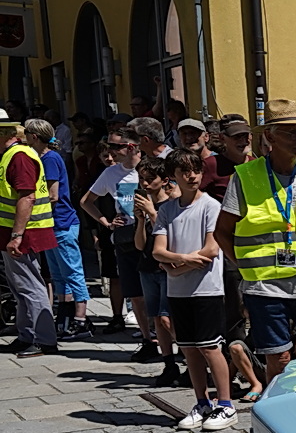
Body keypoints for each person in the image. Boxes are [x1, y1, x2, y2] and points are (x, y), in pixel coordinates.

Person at [214, 99, 296, 382]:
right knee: (280, 358)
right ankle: (281, 410)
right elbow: (222, 232)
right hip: (265, 287)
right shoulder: (246, 176)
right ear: (270, 136)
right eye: (292, 132)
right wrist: (245, 267)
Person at [152, 150, 235, 431]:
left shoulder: (211, 206)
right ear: (172, 176)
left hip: (206, 289)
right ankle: (202, 402)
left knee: (211, 347)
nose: (192, 176)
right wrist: (184, 261)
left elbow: (211, 250)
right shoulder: (167, 210)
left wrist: (176, 266)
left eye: (196, 170)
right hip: (179, 292)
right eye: (184, 171)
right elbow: (158, 251)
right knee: (188, 349)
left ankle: (226, 404)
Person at [0, 113, 58, 357]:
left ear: (6, 133)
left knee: (31, 287)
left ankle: (44, 340)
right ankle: (26, 336)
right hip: (17, 232)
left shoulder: (19, 157)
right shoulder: (14, 155)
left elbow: (27, 196)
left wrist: (17, 235)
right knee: (20, 287)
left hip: (24, 233)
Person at [24, 120, 88, 340]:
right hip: (50, 224)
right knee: (58, 275)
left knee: (72, 272)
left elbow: (53, 195)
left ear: (34, 137)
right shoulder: (41, 158)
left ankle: (81, 319)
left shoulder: (50, 159)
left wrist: (32, 213)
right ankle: (65, 315)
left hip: (61, 222)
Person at [83, 129, 146, 343]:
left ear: (131, 148)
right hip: (126, 236)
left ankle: (162, 333)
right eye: (108, 146)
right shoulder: (110, 173)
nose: (110, 152)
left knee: (156, 289)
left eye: (115, 147)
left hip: (152, 235)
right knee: (135, 293)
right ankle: (147, 336)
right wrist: (107, 223)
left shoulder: (148, 167)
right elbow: (86, 201)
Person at [132, 157, 182, 387]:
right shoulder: (144, 204)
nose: (145, 183)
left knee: (166, 318)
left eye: (150, 179)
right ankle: (168, 363)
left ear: (164, 180)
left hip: (166, 269)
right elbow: (140, 245)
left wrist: (152, 213)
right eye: (142, 178)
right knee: (157, 319)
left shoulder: (171, 206)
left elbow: (172, 240)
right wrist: (141, 220)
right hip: (147, 267)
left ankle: (192, 357)